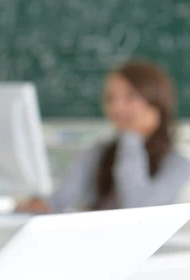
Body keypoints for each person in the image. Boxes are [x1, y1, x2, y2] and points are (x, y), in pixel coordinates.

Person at [18, 60, 190, 213]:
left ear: (156, 101)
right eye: (110, 98)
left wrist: (131, 137)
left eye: (130, 97)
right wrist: (39, 205)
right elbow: (59, 201)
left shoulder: (178, 164)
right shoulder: (97, 152)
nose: (117, 107)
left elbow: (137, 208)